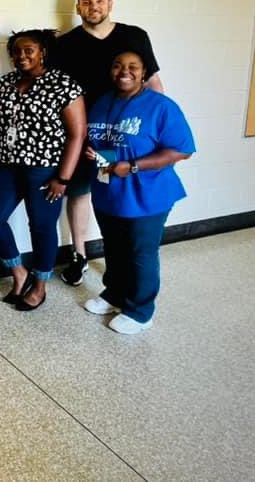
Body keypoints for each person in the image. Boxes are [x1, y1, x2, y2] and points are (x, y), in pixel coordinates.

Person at [55, 0, 165, 286]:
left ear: (111, 4)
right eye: (87, 3)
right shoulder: (65, 44)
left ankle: (126, 256)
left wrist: (158, 126)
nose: (94, 8)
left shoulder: (134, 36)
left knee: (117, 186)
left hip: (122, 136)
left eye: (100, 1)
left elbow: (154, 83)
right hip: (84, 135)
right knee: (79, 191)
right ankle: (79, 255)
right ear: (78, 8)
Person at [83, 50, 194, 334]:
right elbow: (106, 141)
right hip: (109, 192)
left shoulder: (161, 106)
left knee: (140, 252)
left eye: (133, 67)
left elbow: (181, 151)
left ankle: (141, 311)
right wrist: (94, 153)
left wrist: (133, 165)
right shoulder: (102, 102)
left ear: (144, 72)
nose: (125, 71)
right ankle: (115, 294)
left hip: (147, 195)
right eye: (118, 65)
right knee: (114, 246)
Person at [0, 29, 86, 310]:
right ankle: (18, 272)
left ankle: (39, 285)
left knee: (41, 226)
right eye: (16, 51)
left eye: (29, 50)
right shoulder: (5, 83)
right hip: (9, 167)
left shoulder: (64, 85)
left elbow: (77, 134)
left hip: (45, 170)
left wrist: (63, 178)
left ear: (43, 52)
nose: (21, 56)